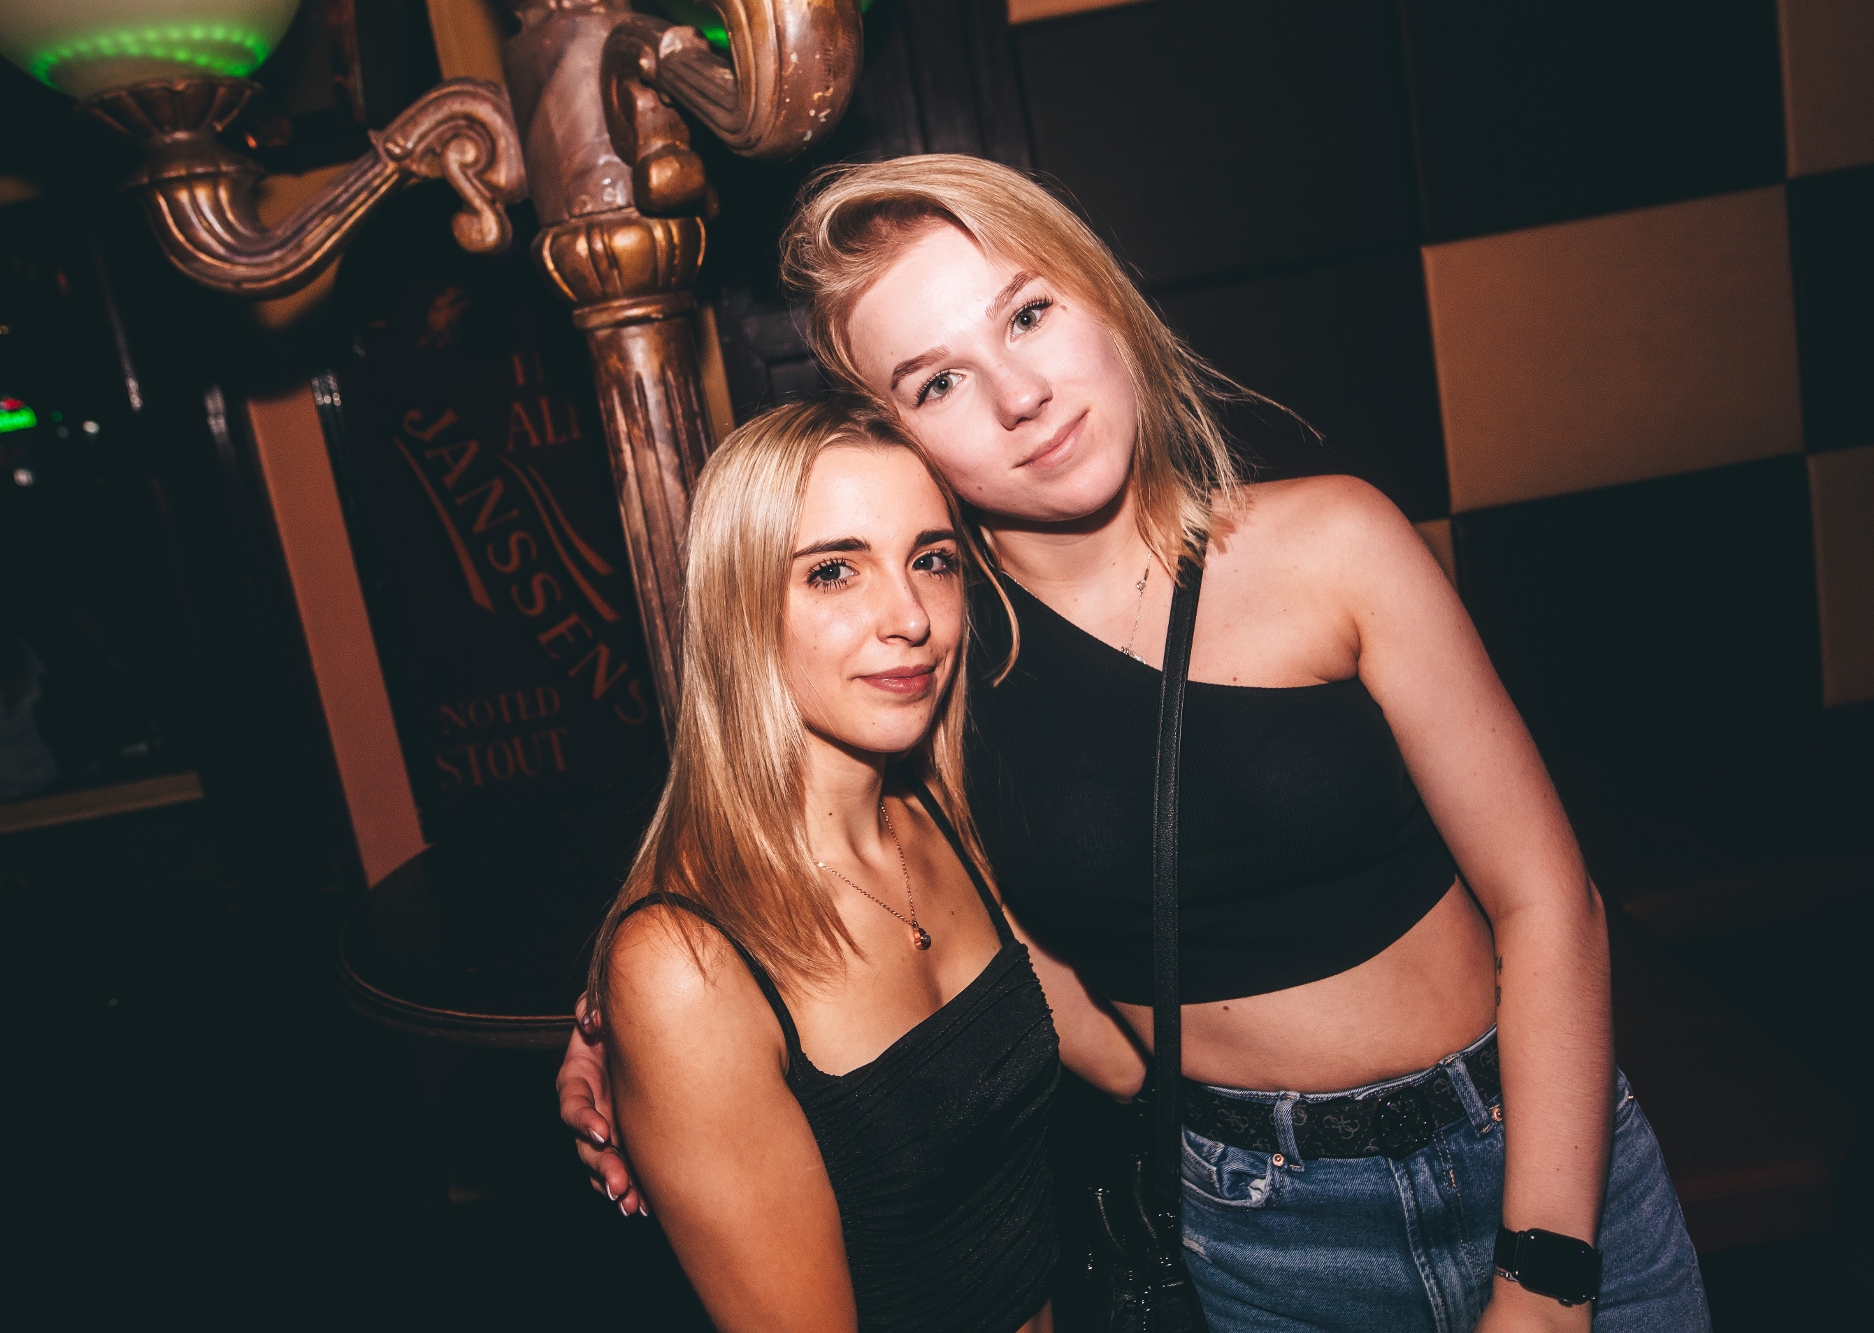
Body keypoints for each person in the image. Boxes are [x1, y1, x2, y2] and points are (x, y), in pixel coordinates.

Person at [561, 155, 1709, 1332]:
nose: (1019, 396)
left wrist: (1545, 1274)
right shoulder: (936, 667)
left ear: (1099, 293)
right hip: (1265, 1232)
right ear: (897, 436)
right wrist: (627, 1025)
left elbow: (1547, 898)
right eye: (940, 380)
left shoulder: (1338, 547)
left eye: (1027, 314)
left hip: (1539, 1158)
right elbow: (769, 803)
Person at [582, 394, 1059, 1333]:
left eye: (931, 559)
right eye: (834, 571)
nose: (910, 616)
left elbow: (1124, 1059)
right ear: (738, 607)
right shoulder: (688, 967)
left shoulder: (944, 817)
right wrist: (643, 1035)